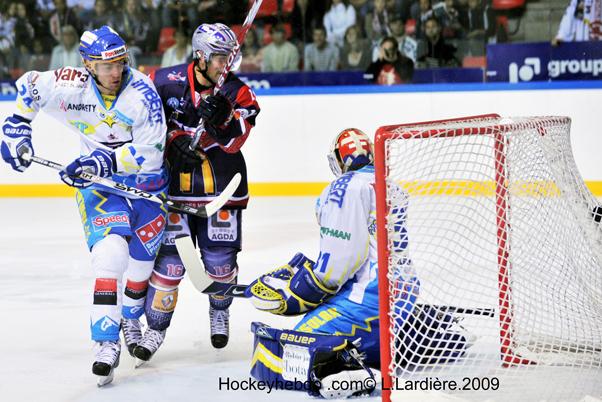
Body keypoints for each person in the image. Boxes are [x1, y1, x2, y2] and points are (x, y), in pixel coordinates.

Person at [245, 128, 473, 398]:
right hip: (402, 296)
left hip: (366, 302)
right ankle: (414, 338)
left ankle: (362, 375)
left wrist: (303, 291)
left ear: (339, 161)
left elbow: (341, 260)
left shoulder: (344, 187)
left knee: (289, 351)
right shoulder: (389, 184)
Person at [0, 25, 168, 386]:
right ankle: (105, 343)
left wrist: (103, 162)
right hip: (98, 188)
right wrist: (16, 126)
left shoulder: (143, 93)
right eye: (106, 65)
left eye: (120, 63)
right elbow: (29, 84)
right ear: (87, 64)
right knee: (110, 256)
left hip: (146, 187)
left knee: (140, 268)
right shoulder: (68, 83)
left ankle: (131, 317)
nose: (115, 72)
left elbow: (153, 154)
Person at [132, 22, 260, 363]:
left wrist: (223, 118)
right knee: (170, 264)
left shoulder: (238, 92)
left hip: (221, 187)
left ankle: (220, 310)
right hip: (174, 188)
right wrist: (171, 144)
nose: (225, 65)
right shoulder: (163, 81)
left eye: (229, 58)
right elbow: (144, 126)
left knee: (219, 264)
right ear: (200, 55)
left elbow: (236, 141)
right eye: (219, 58)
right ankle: (155, 328)